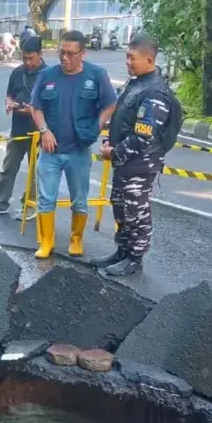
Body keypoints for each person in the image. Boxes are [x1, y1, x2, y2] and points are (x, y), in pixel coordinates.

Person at [29, 30, 118, 259]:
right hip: (50, 151)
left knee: (79, 199)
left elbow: (110, 104)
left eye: (70, 54)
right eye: (61, 52)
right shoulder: (47, 75)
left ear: (83, 53)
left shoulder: (96, 75)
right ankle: (46, 242)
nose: (65, 58)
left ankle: (76, 239)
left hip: (79, 149)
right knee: (46, 198)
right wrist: (44, 130)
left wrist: (97, 127)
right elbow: (35, 107)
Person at [93, 33, 174, 276]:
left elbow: (144, 135)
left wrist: (114, 152)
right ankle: (122, 251)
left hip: (140, 164)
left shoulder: (156, 92)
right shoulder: (136, 84)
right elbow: (123, 119)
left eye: (132, 58)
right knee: (120, 208)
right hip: (125, 162)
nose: (128, 62)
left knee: (136, 212)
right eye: (127, 57)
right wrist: (109, 140)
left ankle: (135, 259)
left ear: (149, 60)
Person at [0, 36, 45, 216]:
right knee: (8, 167)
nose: (27, 62)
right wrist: (9, 103)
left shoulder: (48, 74)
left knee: (35, 172)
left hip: (39, 132)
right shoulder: (17, 73)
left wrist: (33, 111)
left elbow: (53, 105)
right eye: (24, 58)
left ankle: (29, 204)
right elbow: (9, 94)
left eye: (31, 58)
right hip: (18, 129)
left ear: (40, 54)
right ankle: (1, 202)